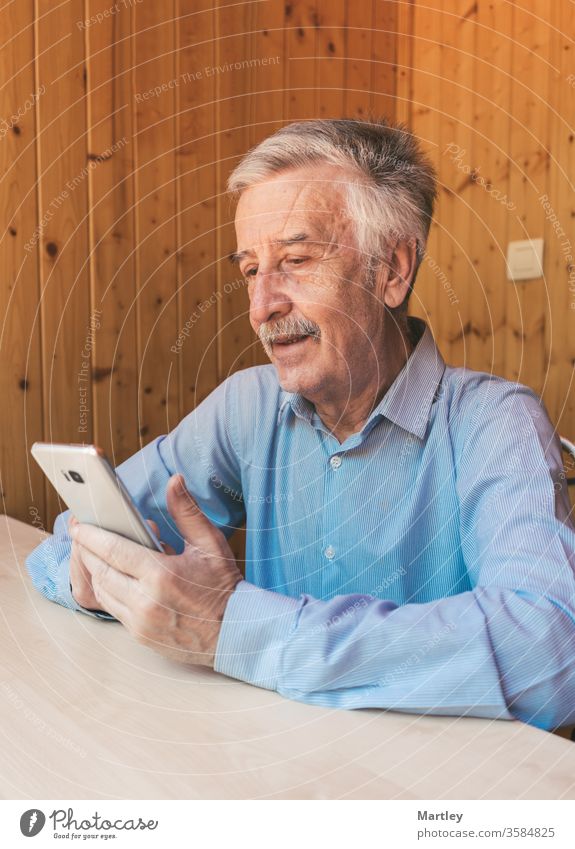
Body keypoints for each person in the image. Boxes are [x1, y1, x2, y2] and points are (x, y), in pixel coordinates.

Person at [27, 119, 575, 729]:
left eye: (295, 259)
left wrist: (234, 628)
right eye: (250, 271)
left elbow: (547, 652)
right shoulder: (247, 406)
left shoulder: (494, 423)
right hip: (271, 762)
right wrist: (93, 584)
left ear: (391, 271)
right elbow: (74, 534)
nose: (262, 308)